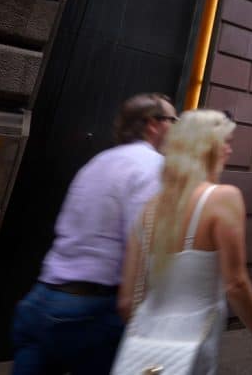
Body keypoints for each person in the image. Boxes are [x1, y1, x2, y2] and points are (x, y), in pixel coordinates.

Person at [12, 93, 177, 374]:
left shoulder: (98, 161)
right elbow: (146, 243)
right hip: (91, 312)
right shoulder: (153, 167)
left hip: (41, 300)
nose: (176, 126)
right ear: (152, 124)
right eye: (173, 120)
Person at [114, 109, 252, 372]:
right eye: (226, 142)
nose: (229, 150)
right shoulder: (222, 198)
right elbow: (235, 283)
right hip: (192, 345)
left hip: (140, 345)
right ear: (207, 146)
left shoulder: (149, 209)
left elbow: (126, 301)